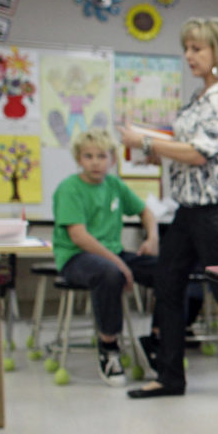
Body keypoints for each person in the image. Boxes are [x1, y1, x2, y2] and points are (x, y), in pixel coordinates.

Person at [118, 16, 218, 400]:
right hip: (190, 207)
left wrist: (148, 144)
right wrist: (155, 154)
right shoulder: (201, 96)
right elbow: (186, 147)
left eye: (197, 48)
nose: (189, 55)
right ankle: (170, 376)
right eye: (186, 48)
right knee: (167, 284)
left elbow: (200, 153)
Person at [52, 129, 159, 386]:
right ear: (79, 159)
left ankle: (156, 340)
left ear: (112, 159)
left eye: (102, 156)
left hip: (113, 253)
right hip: (77, 257)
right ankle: (109, 346)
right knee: (109, 273)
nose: (95, 162)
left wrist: (152, 238)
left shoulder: (115, 186)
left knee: (167, 270)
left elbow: (146, 212)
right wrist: (120, 264)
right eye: (88, 156)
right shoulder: (69, 189)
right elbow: (78, 236)